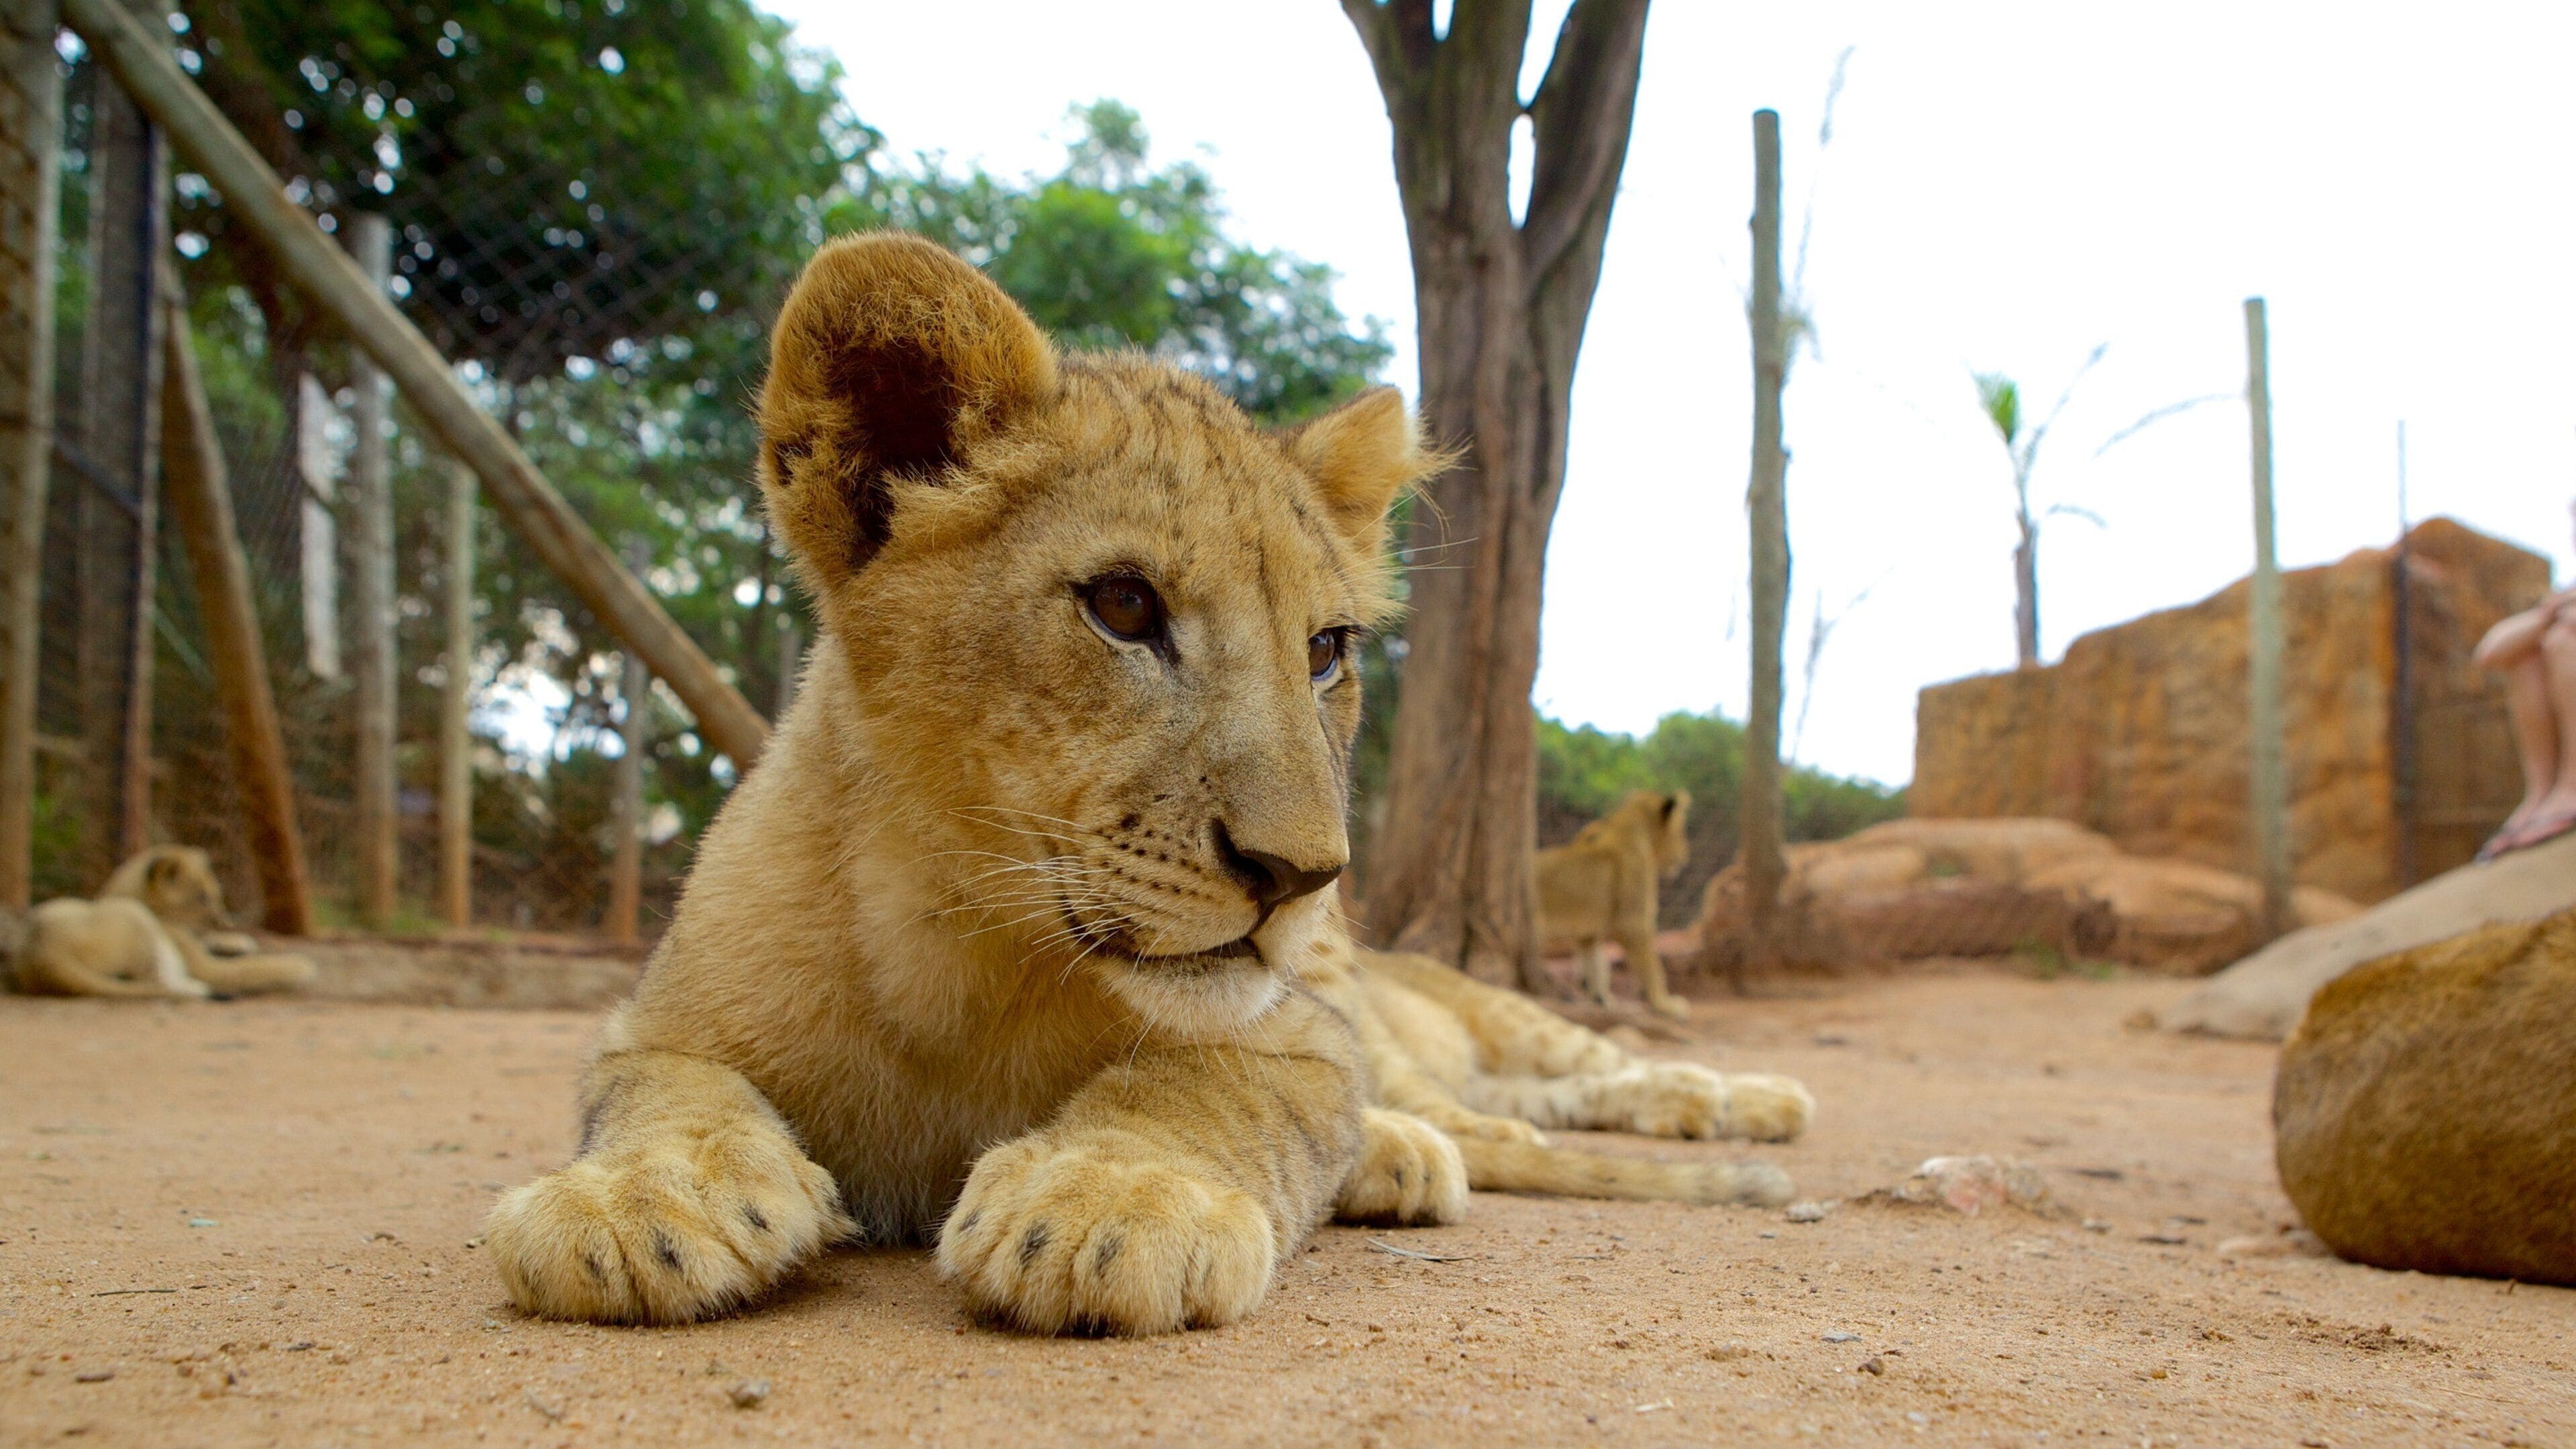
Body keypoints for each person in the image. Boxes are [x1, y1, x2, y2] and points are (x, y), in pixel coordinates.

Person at [2473, 511, 2576, 859]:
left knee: (2564, 643)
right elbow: (2490, 653)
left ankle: (2572, 788)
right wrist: (2550, 614)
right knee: (2526, 658)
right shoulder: (2565, 598)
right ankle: (2542, 793)